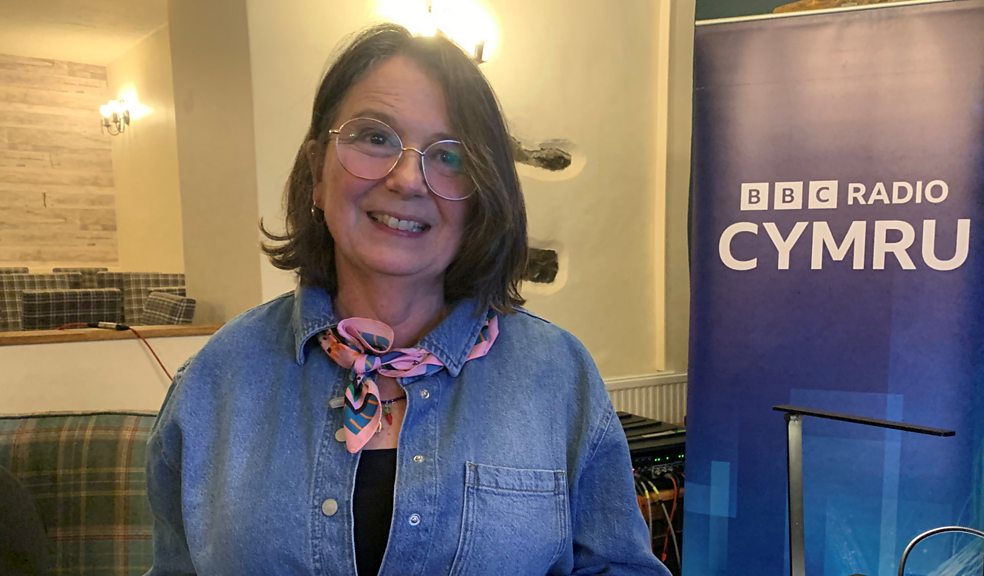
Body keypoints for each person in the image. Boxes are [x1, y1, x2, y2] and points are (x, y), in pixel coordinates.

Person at [145, 23, 670, 576]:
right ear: (317, 173)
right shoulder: (216, 380)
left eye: (451, 156)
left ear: (482, 197)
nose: (408, 180)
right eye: (375, 137)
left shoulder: (557, 376)